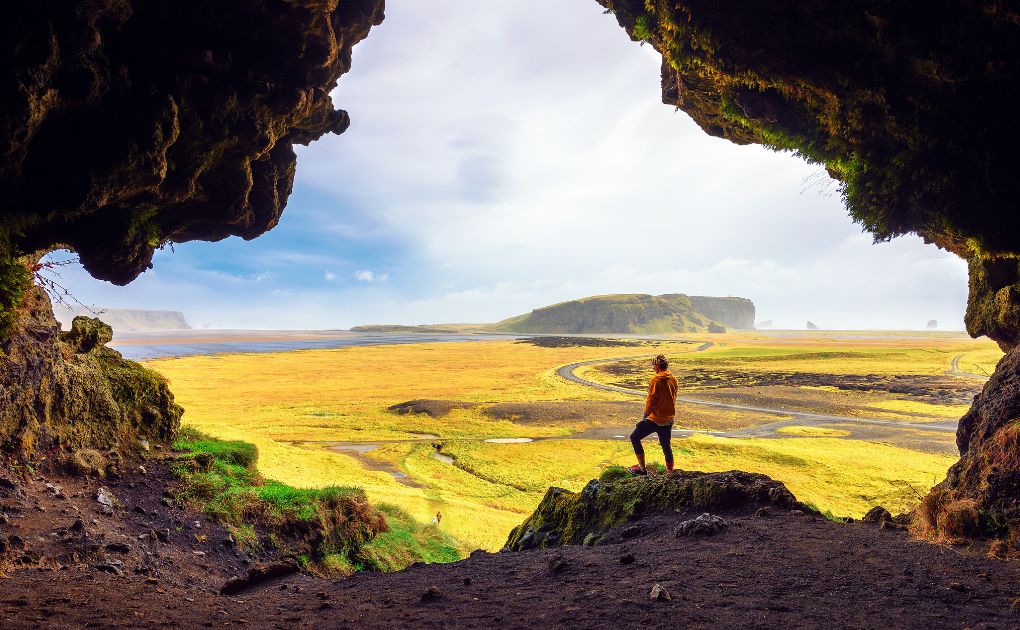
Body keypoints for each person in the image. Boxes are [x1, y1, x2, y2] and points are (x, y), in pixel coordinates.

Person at [628, 354, 678, 475]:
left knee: (634, 437)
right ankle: (670, 471)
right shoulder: (674, 379)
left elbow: (650, 400)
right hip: (668, 419)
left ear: (657, 365)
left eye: (653, 365)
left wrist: (645, 417)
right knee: (666, 445)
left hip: (655, 419)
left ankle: (642, 469)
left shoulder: (655, 380)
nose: (652, 367)